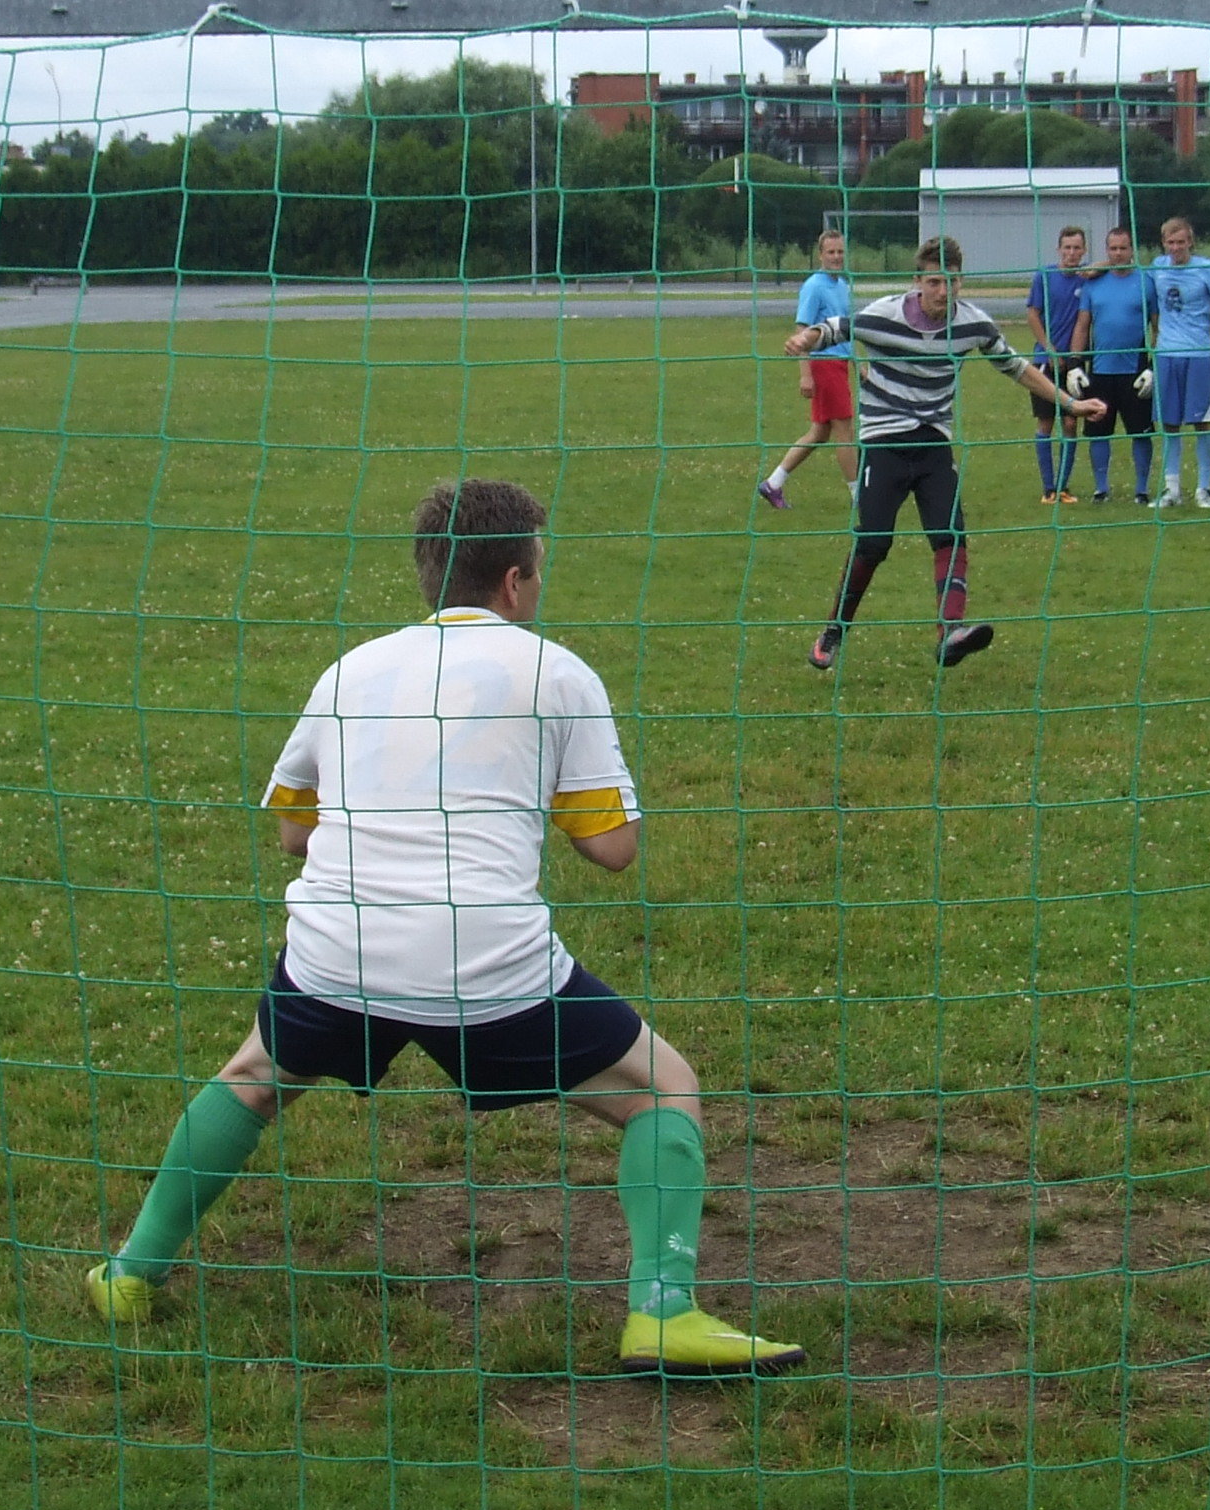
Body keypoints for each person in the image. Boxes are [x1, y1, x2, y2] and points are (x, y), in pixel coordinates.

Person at [87, 478, 804, 1378]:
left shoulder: (350, 669)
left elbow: (293, 834)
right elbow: (613, 850)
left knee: (254, 1077)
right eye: (538, 569)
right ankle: (664, 1312)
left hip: (337, 952)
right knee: (665, 1088)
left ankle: (129, 1273)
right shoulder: (558, 673)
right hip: (486, 963)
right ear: (513, 581)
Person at [785, 236, 1107, 671]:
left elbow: (1016, 367)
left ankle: (950, 632)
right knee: (873, 542)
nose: (942, 291)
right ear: (917, 282)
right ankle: (834, 630)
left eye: (950, 282)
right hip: (884, 442)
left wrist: (1070, 405)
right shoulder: (884, 314)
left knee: (950, 535)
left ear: (961, 282)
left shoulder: (973, 323)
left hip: (934, 443)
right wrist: (806, 339)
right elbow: (836, 328)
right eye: (934, 282)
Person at [759, 231, 854, 510]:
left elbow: (846, 330)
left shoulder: (843, 285)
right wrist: (806, 374)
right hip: (825, 365)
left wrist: (857, 363)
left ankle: (773, 483)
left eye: (840, 252)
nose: (836, 257)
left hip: (840, 364)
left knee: (820, 433)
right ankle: (859, 496)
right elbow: (802, 331)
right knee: (845, 432)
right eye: (831, 252)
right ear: (820, 255)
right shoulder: (814, 286)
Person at [1147, 216, 1210, 509]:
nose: (1176, 248)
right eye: (1171, 242)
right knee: (1169, 424)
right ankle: (1171, 489)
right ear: (1164, 243)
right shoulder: (1158, 267)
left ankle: (1203, 488)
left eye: (1181, 242)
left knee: (1202, 422)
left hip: (1198, 354)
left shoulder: (1206, 268)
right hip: (1166, 354)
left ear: (1190, 242)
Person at [1068, 225, 1159, 503]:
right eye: (1113, 248)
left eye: (1123, 248)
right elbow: (1082, 325)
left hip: (1135, 371)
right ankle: (1101, 489)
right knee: (1098, 432)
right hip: (1101, 370)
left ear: (1132, 250)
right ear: (1107, 251)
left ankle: (1141, 489)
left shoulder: (1146, 282)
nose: (1118, 253)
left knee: (1140, 432)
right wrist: (1075, 363)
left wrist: (1153, 366)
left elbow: (1158, 327)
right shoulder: (1093, 284)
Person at [1024, 225, 1093, 503]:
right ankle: (1048, 488)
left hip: (1074, 363)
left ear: (1084, 251)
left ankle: (1063, 486)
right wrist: (1049, 350)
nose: (1071, 253)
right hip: (1045, 361)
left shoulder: (1087, 277)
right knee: (1046, 422)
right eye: (1067, 248)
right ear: (1059, 249)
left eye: (1077, 248)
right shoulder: (1044, 276)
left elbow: (1113, 265)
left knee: (1071, 422)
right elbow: (1032, 314)